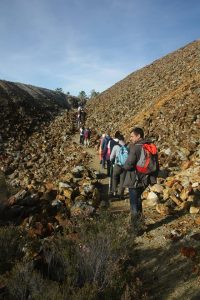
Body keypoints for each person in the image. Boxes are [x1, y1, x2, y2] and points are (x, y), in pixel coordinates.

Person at [123, 127, 158, 232]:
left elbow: (129, 165)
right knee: (138, 201)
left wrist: (123, 165)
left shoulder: (135, 147)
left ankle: (135, 228)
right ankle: (141, 224)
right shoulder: (149, 146)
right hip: (145, 179)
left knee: (134, 204)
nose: (131, 138)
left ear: (138, 136)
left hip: (135, 179)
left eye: (132, 136)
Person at [110, 134, 128, 199]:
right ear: (123, 139)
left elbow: (111, 157)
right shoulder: (127, 146)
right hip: (125, 166)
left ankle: (114, 192)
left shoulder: (116, 146)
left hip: (117, 165)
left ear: (118, 140)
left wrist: (112, 161)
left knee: (114, 178)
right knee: (122, 181)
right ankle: (120, 194)